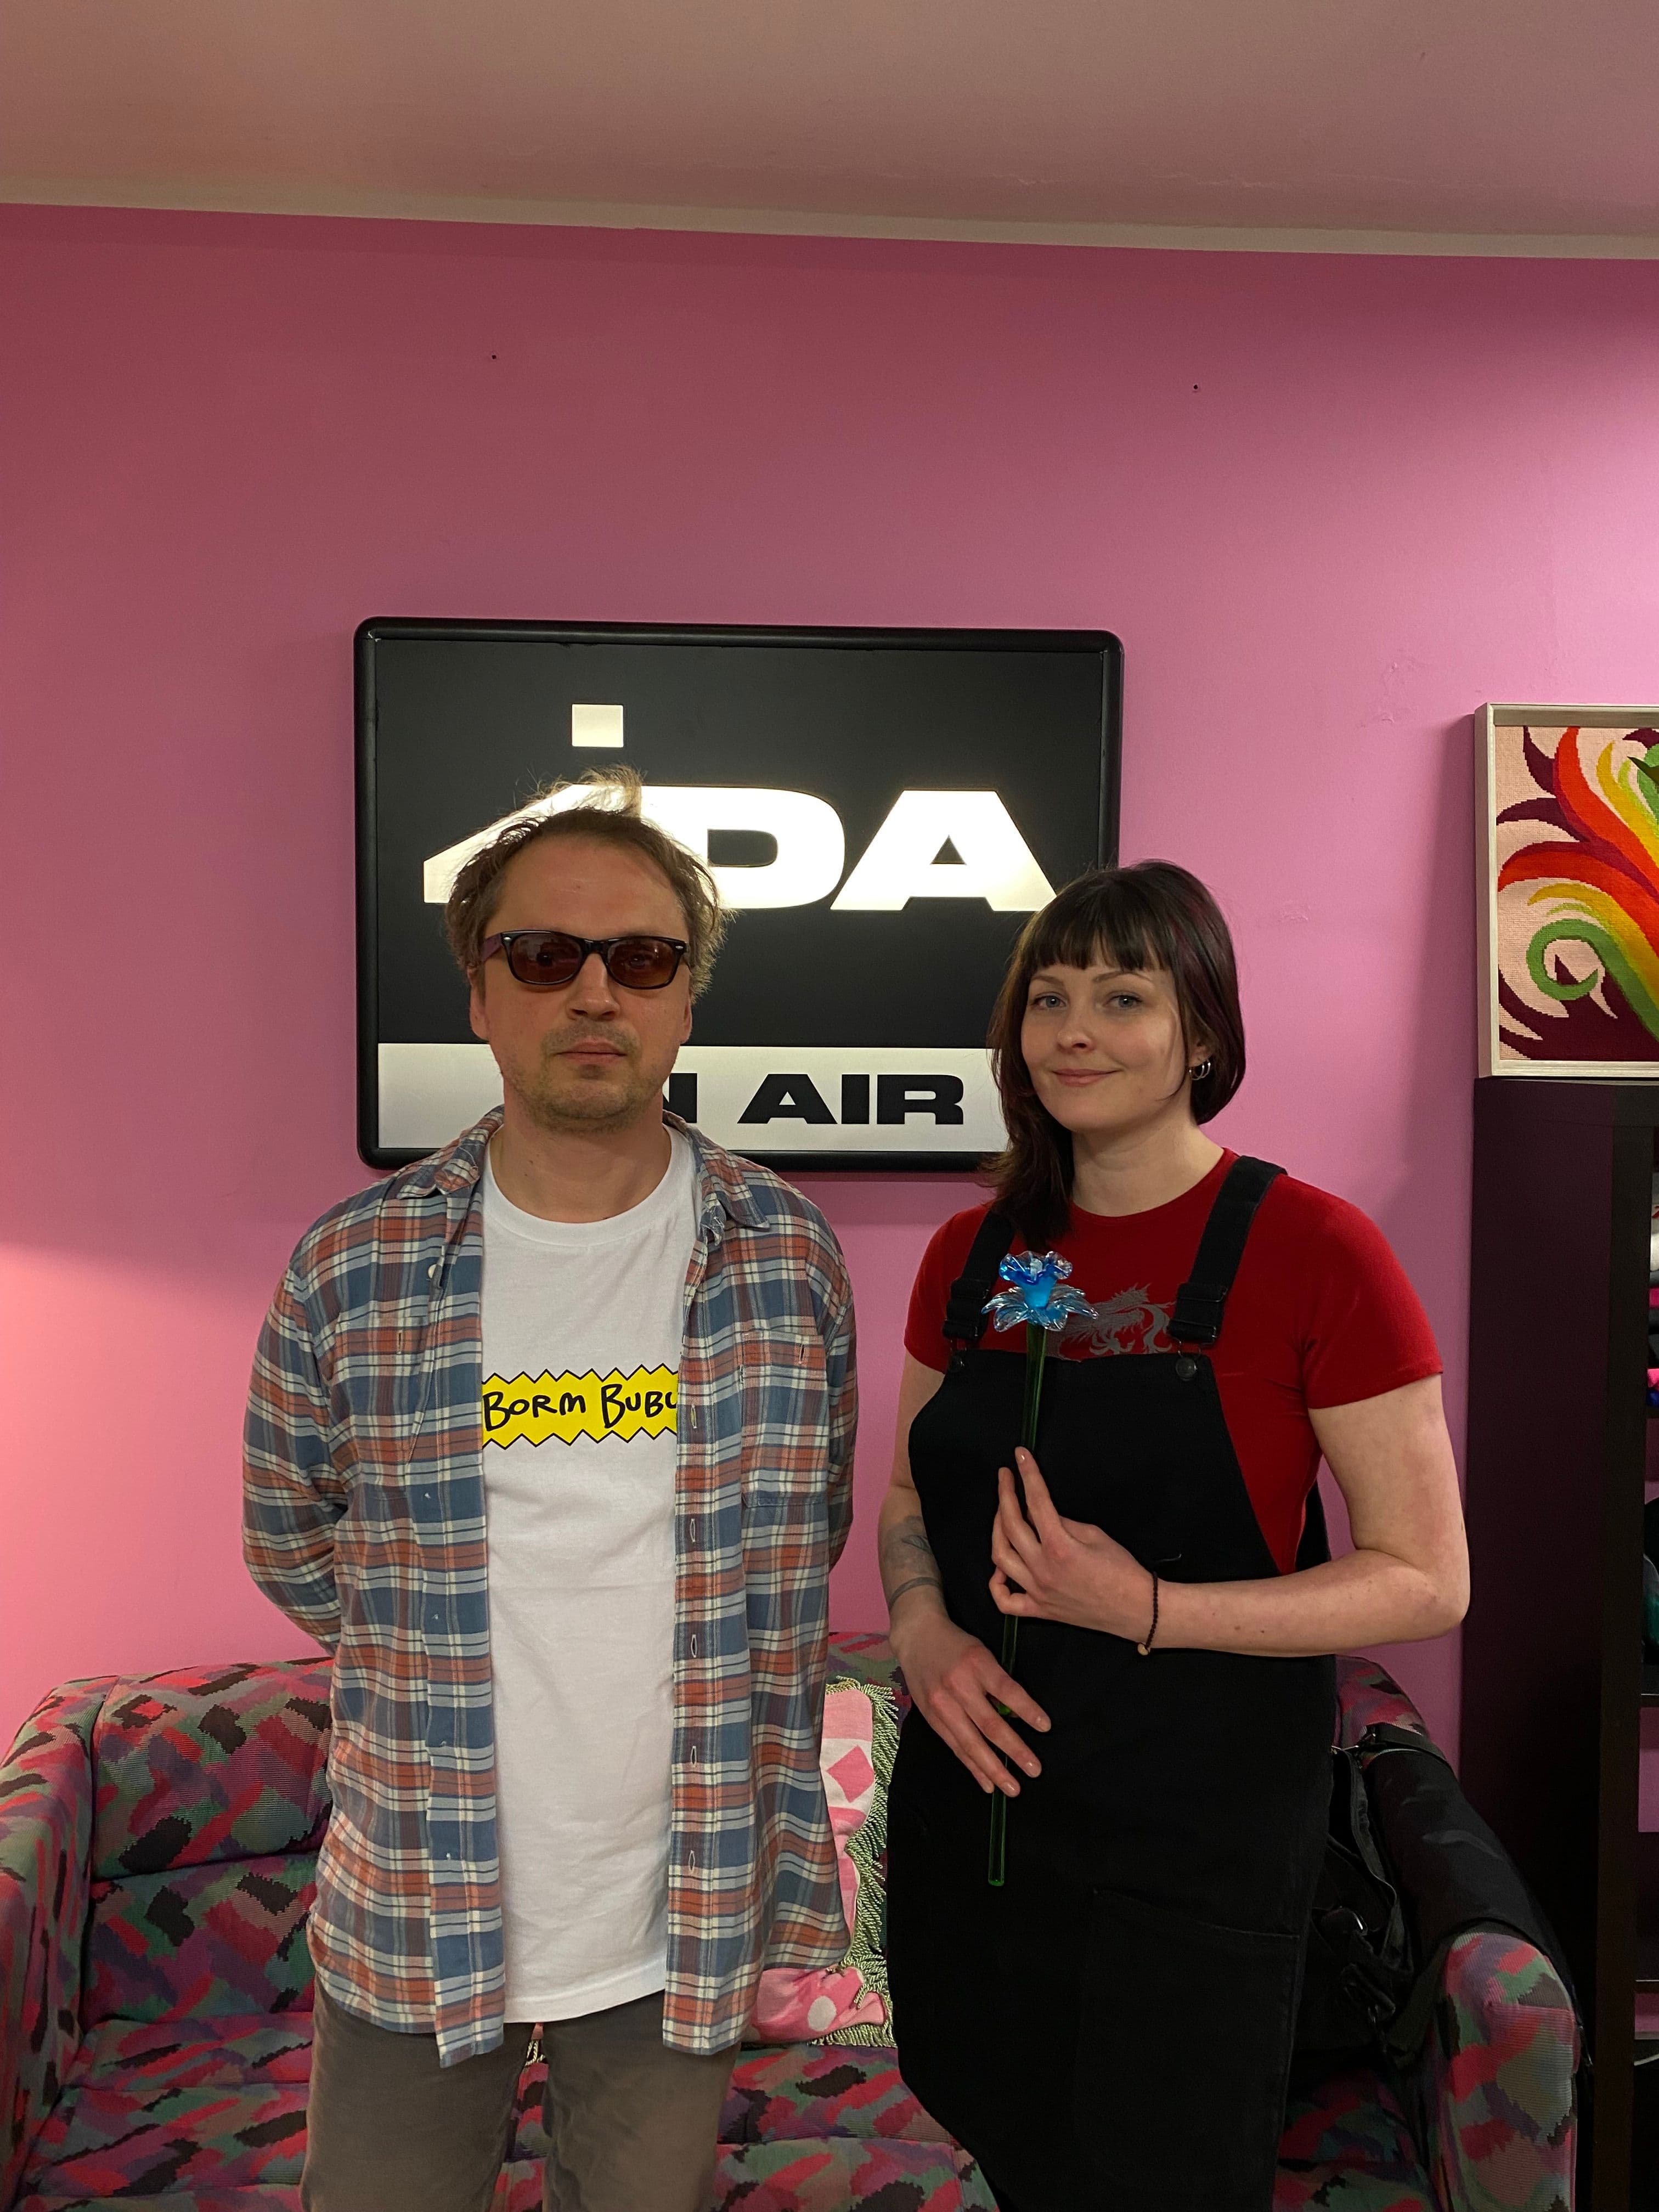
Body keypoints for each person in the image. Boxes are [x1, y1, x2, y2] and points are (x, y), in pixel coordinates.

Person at [244, 769, 857, 2212]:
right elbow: (290, 1540)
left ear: (685, 998)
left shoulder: (788, 1255)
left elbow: (806, 1534)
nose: (594, 992)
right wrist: (433, 1658)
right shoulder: (351, 1267)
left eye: (640, 957)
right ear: (480, 991)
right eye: (543, 955)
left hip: (679, 1915)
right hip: (416, 1901)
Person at [877, 860, 1467, 2212]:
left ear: (1203, 1032)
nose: (1074, 1032)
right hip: (982, 1838)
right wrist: (921, 1631)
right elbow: (909, 1495)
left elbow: (1429, 1578)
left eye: (1123, 997)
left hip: (1193, 1857)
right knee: (1006, 2147)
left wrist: (1150, 1608)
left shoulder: (1318, 1251)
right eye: (1049, 998)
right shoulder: (971, 1254)